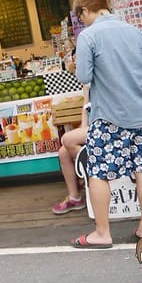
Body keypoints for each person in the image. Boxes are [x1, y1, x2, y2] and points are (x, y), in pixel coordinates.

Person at [72, 0, 142, 249]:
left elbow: (84, 77)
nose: (82, 21)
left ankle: (102, 232)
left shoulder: (88, 36)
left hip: (109, 116)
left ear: (85, 10)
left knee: (98, 172)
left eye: (80, 17)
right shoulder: (134, 31)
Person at [50, 87, 89, 215]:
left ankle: (90, 176)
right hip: (94, 128)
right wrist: (83, 128)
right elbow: (86, 107)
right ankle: (75, 197)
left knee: (67, 139)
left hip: (109, 126)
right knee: (63, 152)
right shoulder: (88, 82)